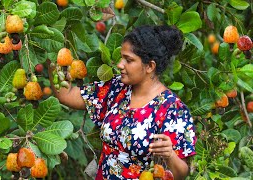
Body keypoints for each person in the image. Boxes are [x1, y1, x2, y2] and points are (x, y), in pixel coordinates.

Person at [49, 25, 196, 180]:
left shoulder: (172, 109)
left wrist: (170, 155)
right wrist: (53, 54)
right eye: (121, 57)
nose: (120, 65)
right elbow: (67, 95)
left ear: (150, 66)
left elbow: (180, 174)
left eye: (129, 60)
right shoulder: (117, 88)